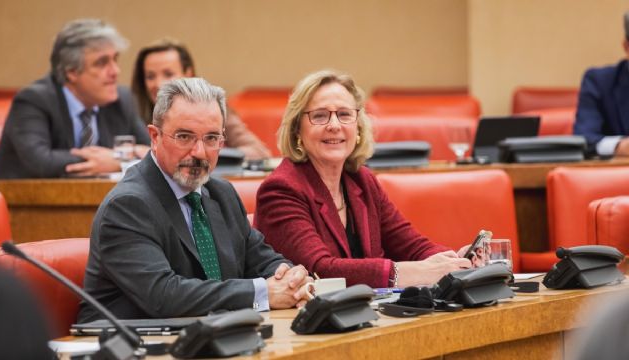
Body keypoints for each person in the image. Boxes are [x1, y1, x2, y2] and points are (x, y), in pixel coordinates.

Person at [78, 77, 310, 322]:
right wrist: (262, 292)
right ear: (154, 137)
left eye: (211, 138)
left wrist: (291, 278)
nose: (199, 153)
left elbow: (261, 259)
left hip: (210, 336)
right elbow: (164, 296)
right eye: (184, 137)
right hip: (128, 345)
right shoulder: (127, 206)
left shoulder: (221, 194)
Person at [254, 70, 475, 289]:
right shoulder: (281, 189)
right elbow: (320, 270)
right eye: (319, 116)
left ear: (358, 127)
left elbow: (412, 246)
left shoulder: (362, 180)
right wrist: (404, 273)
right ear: (297, 131)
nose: (334, 125)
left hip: (365, 315)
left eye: (344, 114)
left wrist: (456, 261)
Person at [0, 18, 150, 179]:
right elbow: (41, 161)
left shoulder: (121, 100)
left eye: (115, 59)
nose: (115, 71)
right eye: (102, 63)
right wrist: (119, 159)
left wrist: (118, 160)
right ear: (72, 72)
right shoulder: (33, 100)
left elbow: (154, 153)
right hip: (26, 200)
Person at [131, 38, 271, 160]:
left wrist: (208, 150)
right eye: (150, 77)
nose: (159, 84)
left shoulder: (211, 108)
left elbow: (259, 152)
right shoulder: (130, 111)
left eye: (168, 74)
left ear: (188, 74)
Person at [574, 11, 629, 157]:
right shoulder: (599, 82)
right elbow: (584, 138)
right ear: (626, 47)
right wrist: (619, 146)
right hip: (618, 176)